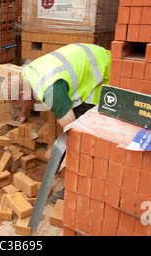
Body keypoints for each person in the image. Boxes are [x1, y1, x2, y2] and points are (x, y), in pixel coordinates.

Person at [10, 43, 111, 203]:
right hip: (88, 59)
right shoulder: (28, 72)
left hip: (101, 74)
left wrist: (61, 151)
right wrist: (23, 114)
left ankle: (74, 188)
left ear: (22, 93)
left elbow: (73, 130)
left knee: (82, 137)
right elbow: (28, 98)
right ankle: (65, 161)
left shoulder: (51, 91)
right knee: (67, 135)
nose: (21, 104)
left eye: (19, 102)